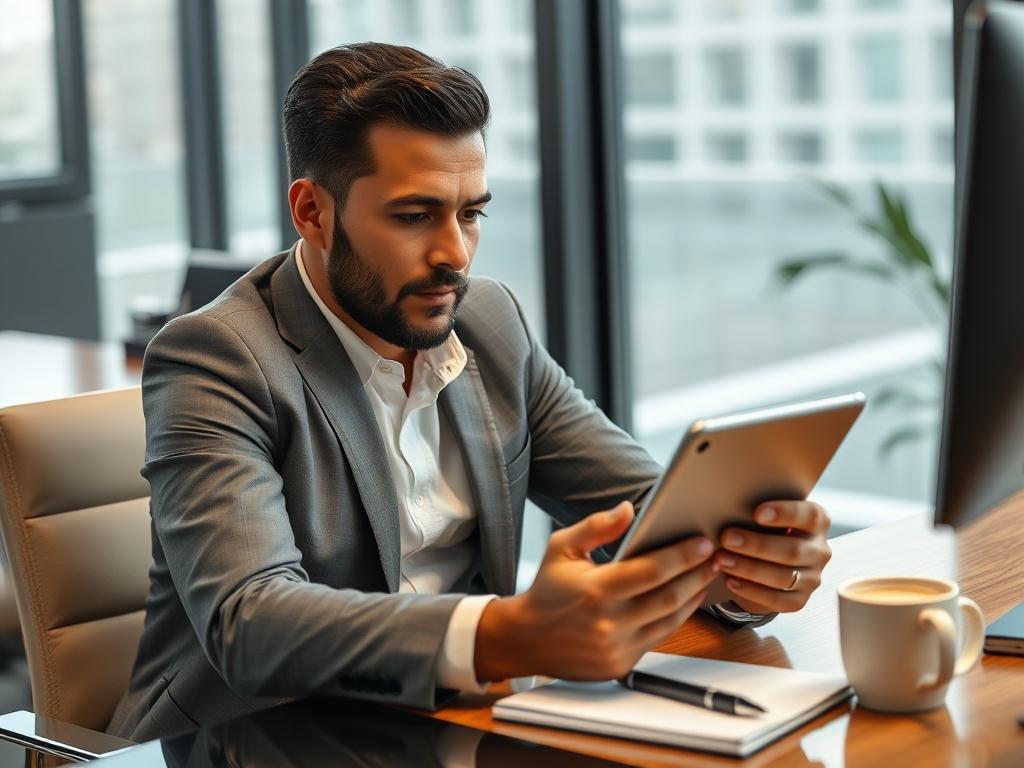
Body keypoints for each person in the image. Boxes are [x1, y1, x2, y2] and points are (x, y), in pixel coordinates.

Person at [107, 43, 832, 741]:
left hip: (460, 728)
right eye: (414, 216)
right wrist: (506, 634)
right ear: (312, 213)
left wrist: (742, 571)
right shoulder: (215, 357)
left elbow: (646, 512)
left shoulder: (489, 323)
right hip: (260, 740)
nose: (454, 253)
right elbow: (249, 622)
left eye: (471, 213)